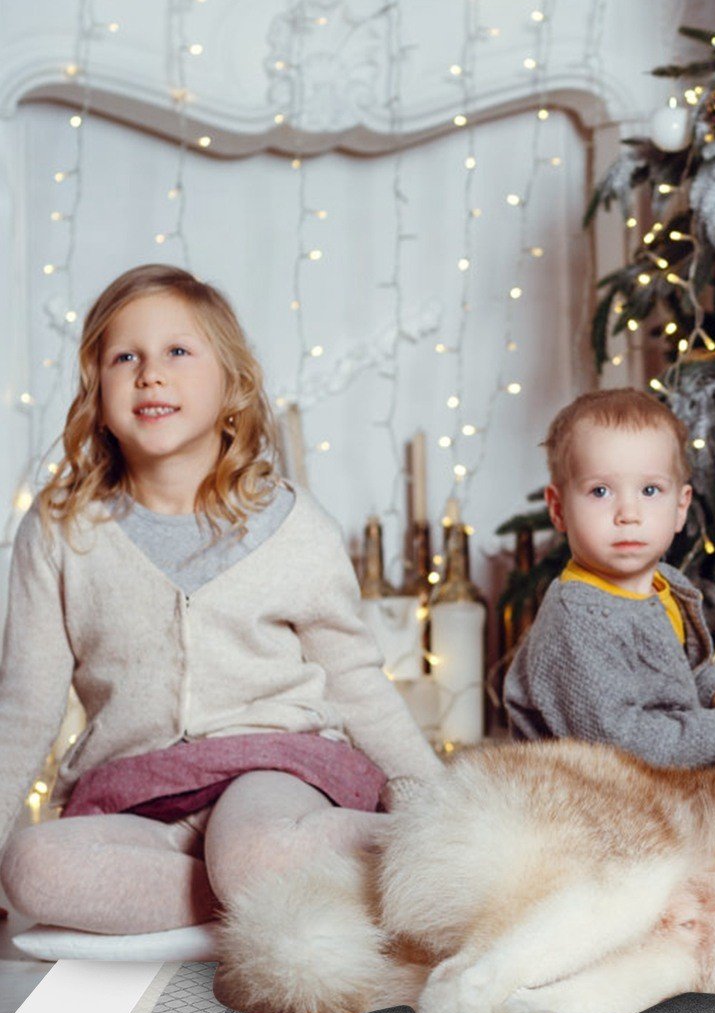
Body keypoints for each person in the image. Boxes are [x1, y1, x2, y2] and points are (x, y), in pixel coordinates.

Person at [0, 264, 441, 936]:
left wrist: (431, 804)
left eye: (178, 351)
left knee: (254, 846)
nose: (151, 374)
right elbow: (26, 707)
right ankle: (268, 890)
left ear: (232, 383)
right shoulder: (62, 530)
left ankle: (381, 854)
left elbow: (355, 682)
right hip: (137, 792)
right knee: (32, 867)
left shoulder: (294, 526)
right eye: (125, 358)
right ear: (96, 390)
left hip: (273, 769)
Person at [503, 388, 715, 766]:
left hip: (658, 783)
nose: (628, 514)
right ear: (558, 509)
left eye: (650, 490)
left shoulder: (666, 584)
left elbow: (681, 672)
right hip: (579, 790)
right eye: (600, 491)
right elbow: (616, 744)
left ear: (680, 507)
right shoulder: (577, 620)